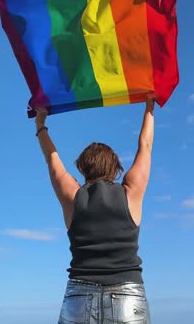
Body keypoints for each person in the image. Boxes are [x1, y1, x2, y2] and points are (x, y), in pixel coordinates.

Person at [35, 97, 155, 324]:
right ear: (115, 167)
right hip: (128, 296)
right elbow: (145, 146)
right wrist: (149, 107)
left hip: (80, 296)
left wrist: (40, 125)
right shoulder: (131, 193)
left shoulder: (72, 197)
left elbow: (52, 160)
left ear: (82, 168)